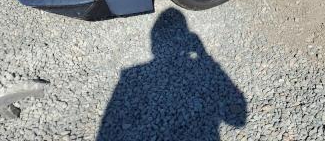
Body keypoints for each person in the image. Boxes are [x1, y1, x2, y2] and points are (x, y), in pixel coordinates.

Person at [97, 8, 247, 140]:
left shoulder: (129, 76)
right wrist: (205, 57)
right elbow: (238, 120)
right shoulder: (129, 75)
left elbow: (109, 127)